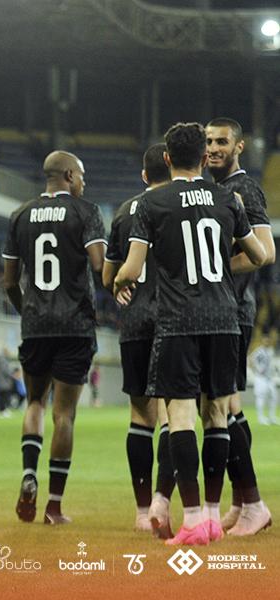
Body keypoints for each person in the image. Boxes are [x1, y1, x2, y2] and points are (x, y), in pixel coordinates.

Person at [114, 122, 266, 545]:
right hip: (225, 319)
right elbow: (258, 254)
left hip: (179, 320)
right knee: (218, 414)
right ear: (203, 157)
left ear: (167, 159)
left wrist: (119, 282)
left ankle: (194, 518)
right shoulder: (228, 198)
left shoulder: (152, 203)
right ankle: (215, 517)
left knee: (180, 416)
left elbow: (132, 267)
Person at [2, 150, 105, 525]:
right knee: (65, 415)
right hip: (74, 325)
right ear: (68, 175)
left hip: (36, 324)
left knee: (34, 403)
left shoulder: (20, 214)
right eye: (81, 175)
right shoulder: (86, 212)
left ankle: (29, 473)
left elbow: (9, 282)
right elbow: (99, 264)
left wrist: (28, 312)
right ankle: (54, 506)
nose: (84, 183)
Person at [205, 117, 275, 535]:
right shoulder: (216, 191)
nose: (213, 148)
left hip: (233, 309)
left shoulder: (244, 188)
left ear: (239, 147)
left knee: (224, 405)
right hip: (221, 310)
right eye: (209, 141)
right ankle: (241, 501)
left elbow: (264, 251)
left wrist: (212, 271)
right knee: (223, 405)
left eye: (221, 141)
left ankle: (254, 504)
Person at [102, 143, 172, 534]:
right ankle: (164, 501)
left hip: (134, 323)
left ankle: (142, 511)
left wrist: (119, 288)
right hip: (173, 320)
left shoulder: (124, 211)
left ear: (144, 175)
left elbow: (108, 277)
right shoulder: (179, 205)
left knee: (140, 415)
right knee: (173, 415)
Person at [250, 334, 278, 426]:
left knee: (273, 396)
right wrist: (257, 370)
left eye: (268, 340)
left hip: (269, 378)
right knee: (260, 397)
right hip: (260, 378)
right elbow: (251, 360)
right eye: (265, 340)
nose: (267, 342)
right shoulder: (258, 351)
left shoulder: (270, 351)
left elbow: (272, 363)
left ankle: (272, 417)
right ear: (262, 341)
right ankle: (260, 418)